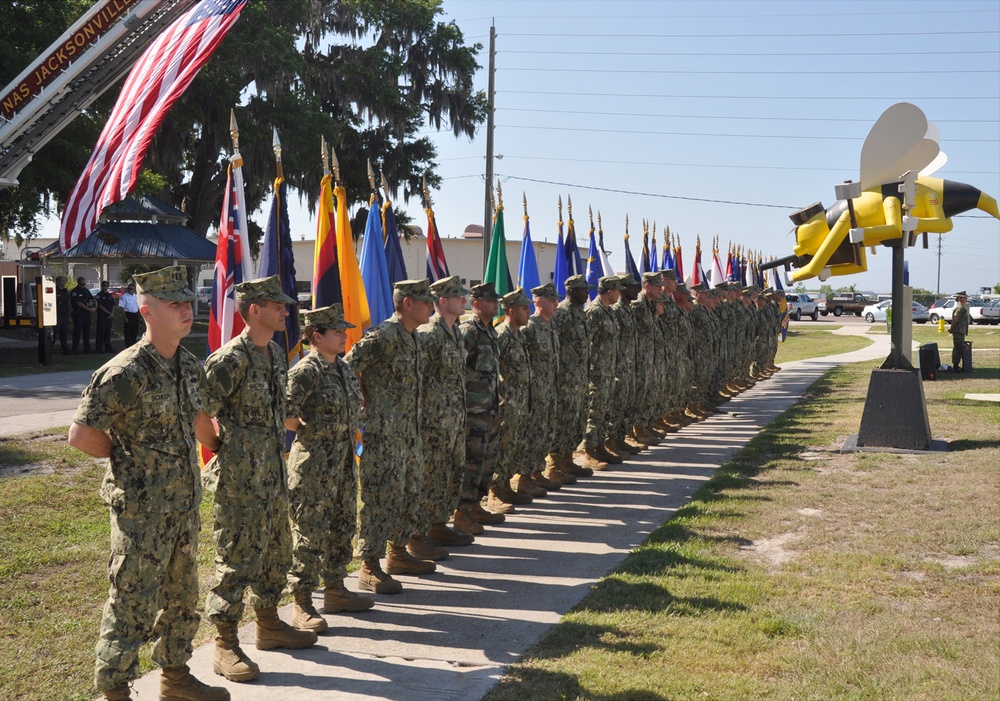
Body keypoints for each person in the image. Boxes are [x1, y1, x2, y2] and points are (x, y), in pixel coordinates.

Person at [68, 266, 229, 701]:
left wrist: (218, 445)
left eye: (187, 300)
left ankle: (175, 677)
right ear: (146, 310)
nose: (186, 309)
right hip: (142, 512)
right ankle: (115, 690)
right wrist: (128, 458)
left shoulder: (188, 364)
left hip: (183, 505)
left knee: (181, 596)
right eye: (174, 303)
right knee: (132, 601)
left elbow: (198, 419)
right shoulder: (126, 371)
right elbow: (81, 436)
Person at [203, 275, 316, 684]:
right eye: (278, 305)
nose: (286, 310)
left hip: (272, 474)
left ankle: (268, 625)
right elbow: (201, 412)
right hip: (239, 482)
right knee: (235, 559)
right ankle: (225, 642)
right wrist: (221, 448)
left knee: (274, 552)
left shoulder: (274, 355)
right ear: (255, 310)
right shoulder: (229, 359)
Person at [284, 304, 373, 636]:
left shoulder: (344, 369)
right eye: (337, 331)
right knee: (309, 534)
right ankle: (302, 602)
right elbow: (287, 414)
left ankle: (335, 590)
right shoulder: (306, 371)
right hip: (314, 467)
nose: (344, 335)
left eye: (344, 330)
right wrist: (314, 433)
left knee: (341, 527)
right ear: (316, 337)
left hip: (343, 464)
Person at [345, 279, 436, 592]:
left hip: (409, 434)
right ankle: (369, 566)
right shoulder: (382, 335)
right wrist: (361, 411)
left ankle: (397, 553)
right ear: (408, 303)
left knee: (408, 494)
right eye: (425, 301)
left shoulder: (413, 338)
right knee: (379, 499)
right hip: (383, 437)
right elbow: (346, 368)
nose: (431, 307)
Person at [415, 276, 476, 550]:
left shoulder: (455, 332)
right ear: (441, 301)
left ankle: (438, 526)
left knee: (449, 478)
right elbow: (416, 378)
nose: (464, 300)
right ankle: (417, 536)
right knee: (430, 480)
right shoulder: (429, 334)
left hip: (453, 422)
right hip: (433, 425)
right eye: (457, 296)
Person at [456, 282, 505, 535]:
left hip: (489, 408)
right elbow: (457, 370)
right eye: (491, 301)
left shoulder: (490, 330)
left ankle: (475, 505)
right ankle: (461, 512)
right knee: (472, 462)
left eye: (496, 301)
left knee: (486, 461)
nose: (496, 305)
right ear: (476, 304)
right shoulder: (469, 331)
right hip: (473, 411)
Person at [550, 275, 600, 474]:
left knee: (576, 419)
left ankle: (567, 459)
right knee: (562, 420)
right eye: (582, 290)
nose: (587, 293)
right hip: (564, 379)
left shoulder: (580, 313)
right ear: (571, 291)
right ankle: (554, 464)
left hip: (579, 378)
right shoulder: (561, 313)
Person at [523, 282, 570, 488]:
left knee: (546, 433)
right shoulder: (530, 327)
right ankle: (525, 477)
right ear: (538, 302)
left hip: (550, 390)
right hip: (535, 393)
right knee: (533, 434)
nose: (556, 303)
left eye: (556, 300)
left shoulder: (551, 325)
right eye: (551, 300)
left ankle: (538, 471)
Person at [493, 287, 536, 505]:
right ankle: (496, 493)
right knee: (503, 447)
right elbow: (491, 369)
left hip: (520, 402)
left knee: (514, 445)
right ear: (511, 311)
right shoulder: (502, 335)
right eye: (523, 308)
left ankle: (506, 484)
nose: (529, 311)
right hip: (506, 403)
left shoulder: (518, 335)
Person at [580, 274, 623, 467]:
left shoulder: (609, 311)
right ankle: (589, 453)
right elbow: (586, 343)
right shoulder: (594, 312)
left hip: (608, 371)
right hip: (596, 372)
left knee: (604, 410)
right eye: (618, 290)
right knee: (594, 411)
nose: (620, 293)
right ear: (610, 291)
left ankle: (599, 446)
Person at [70, 276, 96, 354]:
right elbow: (78, 303)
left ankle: (87, 348)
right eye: (82, 284)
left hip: (87, 314)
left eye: (84, 284)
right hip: (79, 313)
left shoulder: (86, 291)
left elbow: (92, 299)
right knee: (77, 331)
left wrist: (95, 307)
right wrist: (88, 309)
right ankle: (75, 349)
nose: (83, 286)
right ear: (79, 283)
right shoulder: (75, 291)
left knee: (87, 331)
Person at [948, 291, 971, 372]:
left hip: (960, 331)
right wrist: (951, 329)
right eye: (964, 297)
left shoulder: (961, 308)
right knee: (958, 348)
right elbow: (955, 319)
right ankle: (955, 366)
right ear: (960, 298)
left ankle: (956, 365)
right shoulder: (960, 308)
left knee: (959, 347)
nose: (966, 299)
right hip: (958, 331)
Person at [95, 281, 116, 353]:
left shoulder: (109, 295)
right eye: (104, 285)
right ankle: (99, 348)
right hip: (102, 316)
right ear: (102, 286)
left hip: (109, 317)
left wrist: (112, 313)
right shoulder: (99, 295)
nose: (106, 287)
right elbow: (100, 306)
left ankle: (108, 347)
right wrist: (109, 313)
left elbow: (113, 305)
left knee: (107, 332)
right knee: (101, 332)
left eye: (107, 285)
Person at [54, 275, 71, 354]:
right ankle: (50, 348)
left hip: (65, 314)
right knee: (55, 331)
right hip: (58, 314)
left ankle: (65, 349)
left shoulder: (66, 291)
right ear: (57, 282)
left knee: (64, 332)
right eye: (61, 281)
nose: (63, 282)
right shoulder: (55, 291)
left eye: (64, 281)